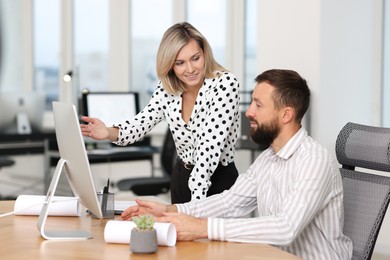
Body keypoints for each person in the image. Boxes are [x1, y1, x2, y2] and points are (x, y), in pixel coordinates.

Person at [121, 69, 353, 259]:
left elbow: (285, 228)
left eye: (258, 105)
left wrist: (202, 228)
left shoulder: (313, 161)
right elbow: (230, 203)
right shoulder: (268, 159)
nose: (248, 112)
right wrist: (171, 211)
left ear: (286, 115)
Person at [80, 22, 240, 203]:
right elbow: (140, 123)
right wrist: (108, 132)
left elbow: (209, 147)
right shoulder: (167, 89)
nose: (190, 69)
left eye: (195, 58)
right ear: (170, 65)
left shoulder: (225, 84)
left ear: (205, 54)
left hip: (217, 181)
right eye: (180, 63)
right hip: (182, 178)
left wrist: (196, 206)